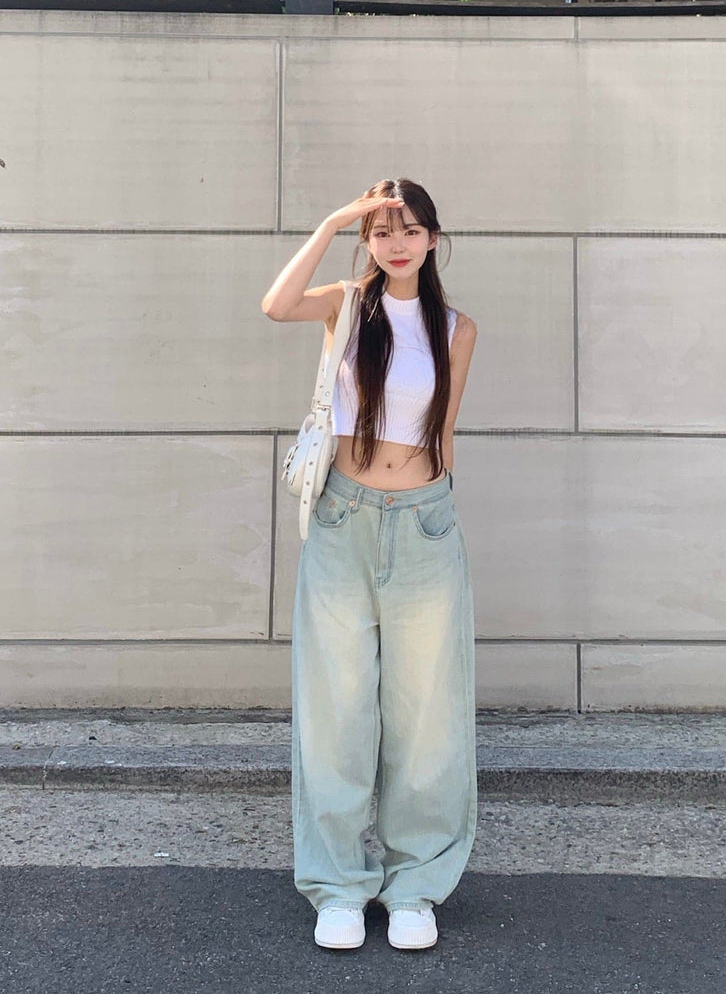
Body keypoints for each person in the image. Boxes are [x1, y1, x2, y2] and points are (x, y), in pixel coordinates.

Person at [260, 177, 478, 953]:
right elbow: (276, 304)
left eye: (411, 230)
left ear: (433, 239)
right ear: (368, 240)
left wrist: (435, 517)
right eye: (383, 230)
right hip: (342, 520)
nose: (397, 243)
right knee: (336, 710)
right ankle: (340, 885)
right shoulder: (346, 306)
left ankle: (415, 885)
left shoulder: (456, 329)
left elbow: (443, 436)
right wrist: (331, 219)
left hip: (423, 523)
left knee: (427, 714)